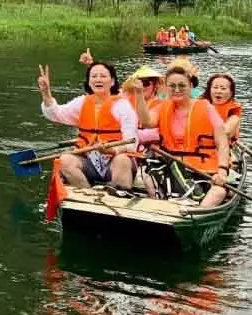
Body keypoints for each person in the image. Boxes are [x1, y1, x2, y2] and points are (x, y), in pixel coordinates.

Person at [38, 61, 138, 192]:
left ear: (112, 81)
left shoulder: (122, 106)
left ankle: (120, 195)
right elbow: (57, 114)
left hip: (114, 162)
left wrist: (112, 150)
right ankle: (88, 194)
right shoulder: (82, 102)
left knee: (122, 160)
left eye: (103, 76)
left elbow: (132, 142)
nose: (98, 79)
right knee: (64, 160)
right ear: (89, 82)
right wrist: (46, 93)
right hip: (89, 162)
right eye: (94, 76)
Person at [145, 63, 232, 208]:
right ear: (166, 88)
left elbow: (222, 142)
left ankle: (198, 214)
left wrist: (222, 171)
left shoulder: (206, 107)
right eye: (172, 86)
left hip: (203, 167)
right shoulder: (163, 107)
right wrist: (138, 96)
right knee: (149, 176)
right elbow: (147, 122)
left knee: (218, 192)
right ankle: (162, 207)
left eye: (182, 86)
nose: (177, 90)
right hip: (172, 164)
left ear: (190, 86)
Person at [205, 73, 242, 143]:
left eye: (223, 88)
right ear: (209, 90)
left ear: (231, 93)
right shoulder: (198, 104)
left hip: (217, 151)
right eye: (215, 87)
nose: (218, 91)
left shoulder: (234, 112)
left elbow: (226, 131)